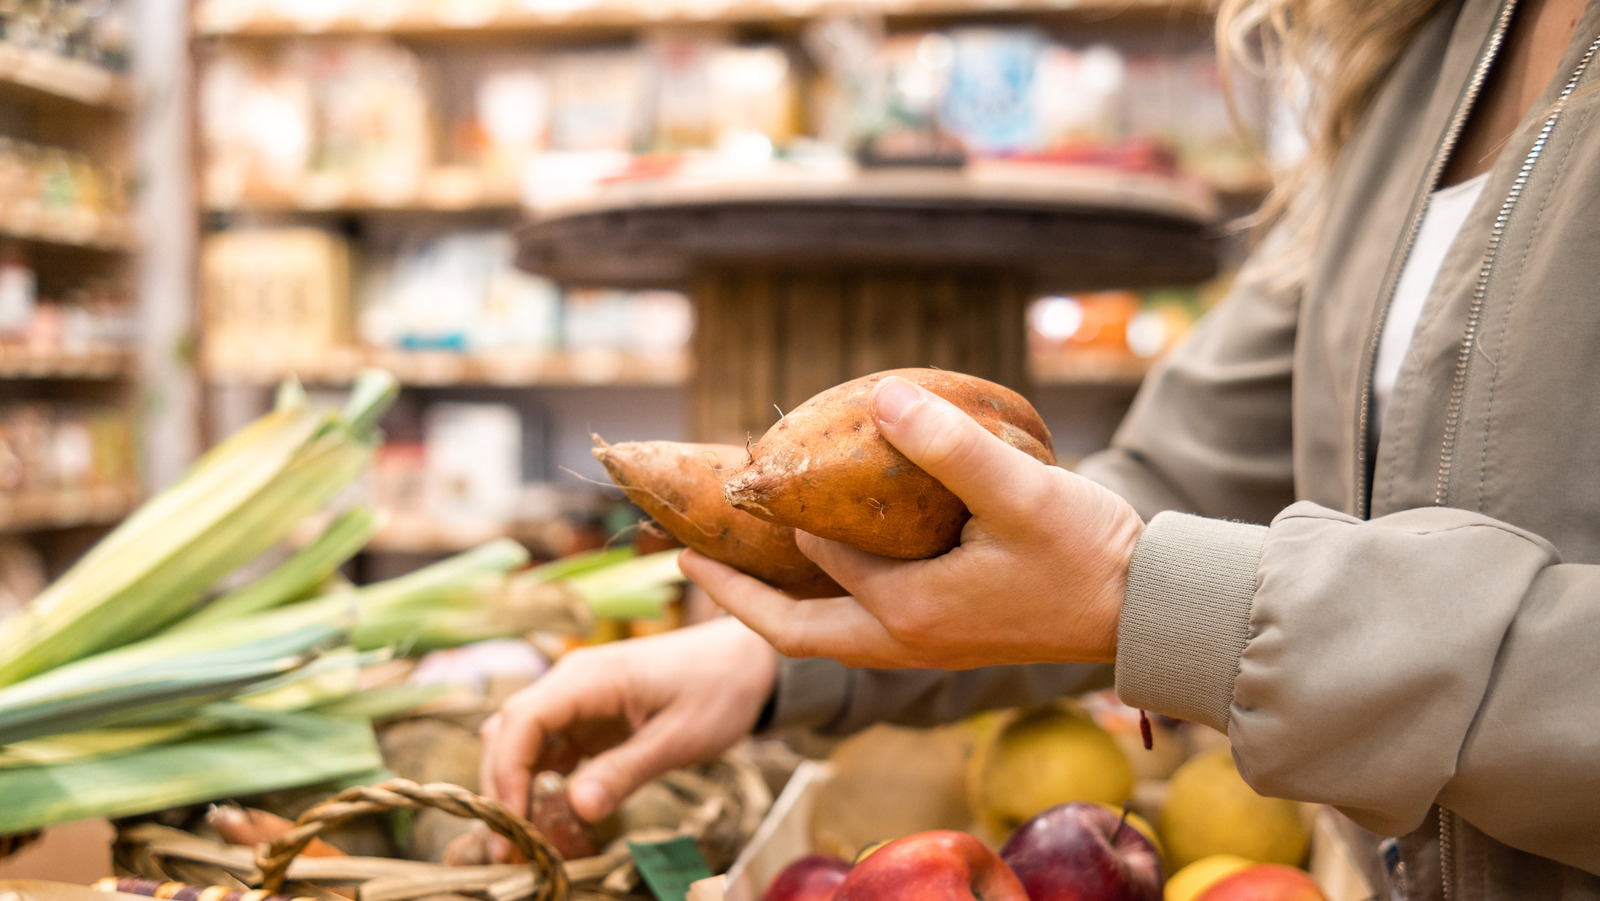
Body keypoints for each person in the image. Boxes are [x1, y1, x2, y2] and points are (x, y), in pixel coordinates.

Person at [481, 0, 1600, 896]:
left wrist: (1156, 602)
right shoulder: (1414, 60)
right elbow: (1176, 479)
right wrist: (773, 661)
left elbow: (1145, 567)